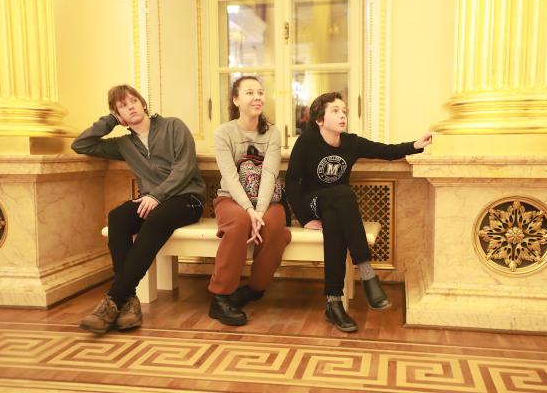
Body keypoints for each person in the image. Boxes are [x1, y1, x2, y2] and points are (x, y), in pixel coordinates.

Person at [285, 92, 432, 332]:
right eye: (335, 111)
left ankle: (333, 303)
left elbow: (386, 151)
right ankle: (367, 274)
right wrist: (305, 219)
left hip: (336, 208)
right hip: (314, 202)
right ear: (319, 120)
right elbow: (291, 181)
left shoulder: (350, 142)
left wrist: (415, 145)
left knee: (335, 219)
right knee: (342, 192)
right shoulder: (307, 141)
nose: (342, 115)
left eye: (344, 111)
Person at [72, 84, 206, 334]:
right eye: (122, 106)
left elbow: (185, 168)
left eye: (133, 101)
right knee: (117, 217)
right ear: (118, 115)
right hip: (152, 201)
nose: (130, 107)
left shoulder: (173, 126)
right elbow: (81, 145)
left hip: (188, 199)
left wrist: (156, 195)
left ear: (143, 103)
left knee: (156, 218)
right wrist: (110, 121)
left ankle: (114, 299)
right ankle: (129, 301)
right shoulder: (124, 144)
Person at [209, 75, 291, 326]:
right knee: (239, 222)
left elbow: (269, 174)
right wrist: (249, 210)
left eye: (260, 92)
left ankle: (255, 288)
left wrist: (259, 211)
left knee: (273, 226)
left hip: (267, 201)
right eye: (249, 93)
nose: (257, 97)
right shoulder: (224, 132)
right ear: (235, 100)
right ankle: (220, 297)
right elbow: (230, 176)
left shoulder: (273, 133)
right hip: (230, 199)